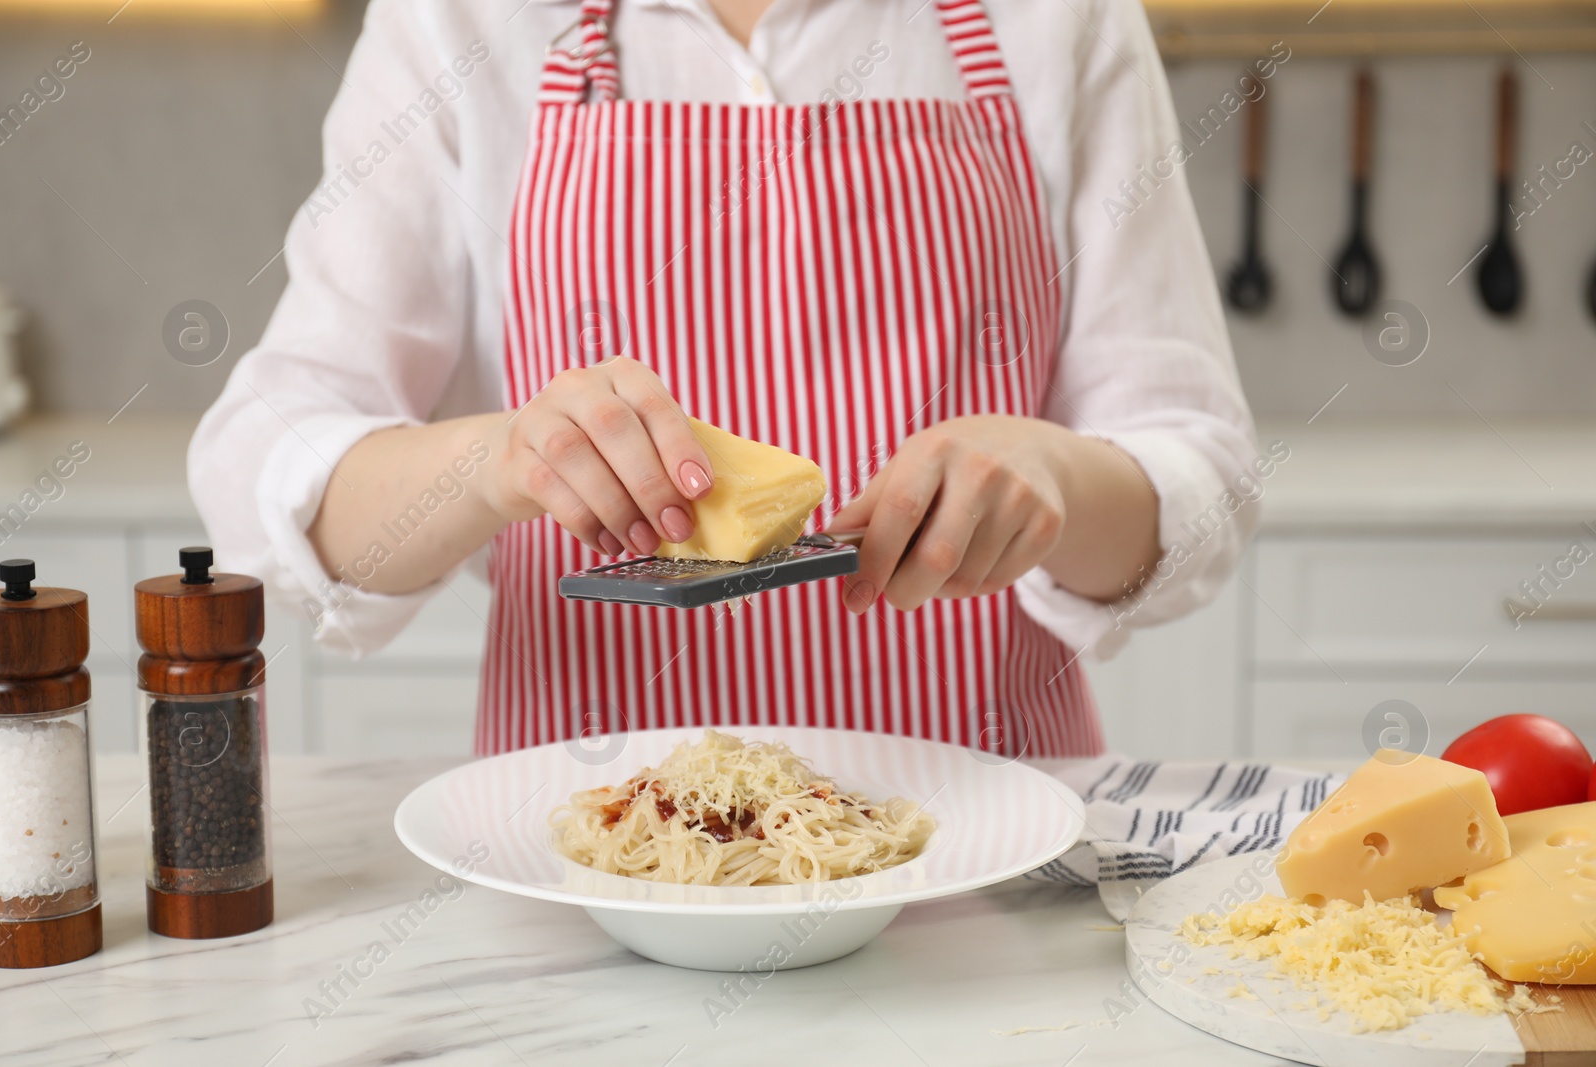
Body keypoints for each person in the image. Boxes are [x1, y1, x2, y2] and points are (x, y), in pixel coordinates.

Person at [191, 0, 1258, 759]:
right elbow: (265, 468)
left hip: (985, 842)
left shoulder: (1058, 17)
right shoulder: (460, 21)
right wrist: (496, 459)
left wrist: (1060, 477)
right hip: (593, 849)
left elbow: (1200, 472)